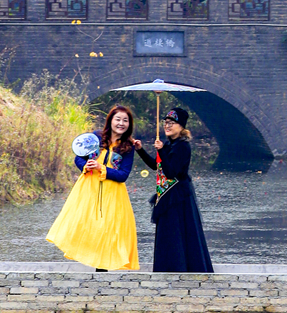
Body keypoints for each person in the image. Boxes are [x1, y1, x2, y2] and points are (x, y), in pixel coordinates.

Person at [45, 106, 140, 271]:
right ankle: (92, 263)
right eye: (118, 119)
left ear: (129, 125)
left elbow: (123, 175)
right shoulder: (96, 137)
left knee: (107, 231)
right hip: (89, 190)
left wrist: (100, 167)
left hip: (113, 195)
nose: (121, 123)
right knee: (86, 225)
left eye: (125, 120)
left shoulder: (128, 147)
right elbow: (78, 158)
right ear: (110, 120)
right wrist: (86, 165)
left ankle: (102, 271)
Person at [133, 107, 213, 273]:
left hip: (179, 197)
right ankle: (166, 267)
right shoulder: (170, 144)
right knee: (167, 233)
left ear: (181, 126)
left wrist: (161, 150)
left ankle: (180, 268)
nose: (167, 126)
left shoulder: (182, 146)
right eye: (166, 122)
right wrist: (140, 150)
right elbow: (157, 166)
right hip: (167, 195)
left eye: (172, 123)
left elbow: (170, 172)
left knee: (179, 233)